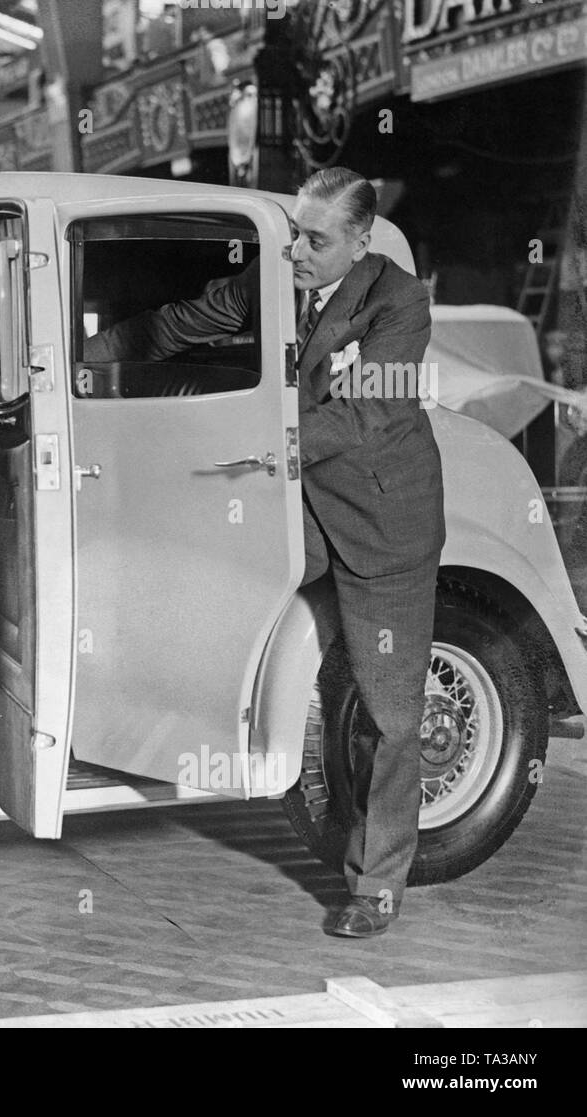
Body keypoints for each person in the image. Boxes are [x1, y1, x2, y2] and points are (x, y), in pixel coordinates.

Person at [87, 167, 444, 938]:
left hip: (380, 523)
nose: (298, 254)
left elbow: (366, 415)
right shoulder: (280, 270)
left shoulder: (399, 302)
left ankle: (376, 883)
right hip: (295, 511)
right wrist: (79, 363)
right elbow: (182, 322)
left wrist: (255, 444)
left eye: (317, 241)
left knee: (391, 713)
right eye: (295, 236)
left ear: (361, 240)